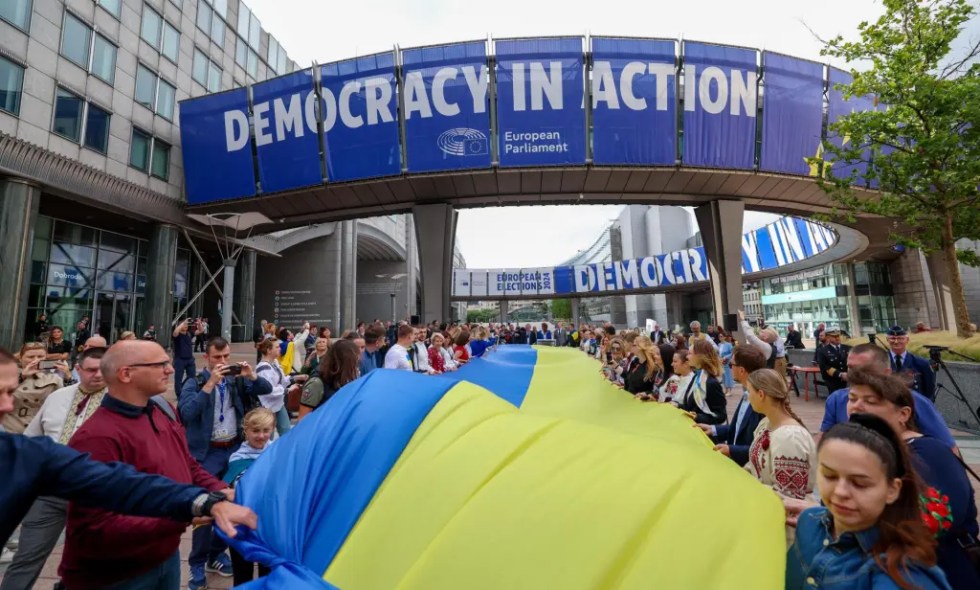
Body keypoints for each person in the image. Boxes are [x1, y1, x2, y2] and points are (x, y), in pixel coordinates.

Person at [58, 341, 243, 590]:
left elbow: (187, 464)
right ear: (126, 373)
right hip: (116, 576)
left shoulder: (162, 410)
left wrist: (223, 491)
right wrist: (187, 511)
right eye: (160, 365)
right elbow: (96, 529)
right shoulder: (97, 438)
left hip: (165, 557)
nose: (170, 370)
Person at [846, 369, 979, 590]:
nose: (856, 406)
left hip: (940, 575)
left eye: (870, 401)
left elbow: (932, 522)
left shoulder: (928, 452)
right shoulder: (879, 453)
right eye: (852, 399)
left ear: (903, 414)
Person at [786, 414, 949, 590]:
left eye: (860, 484)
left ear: (892, 489)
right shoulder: (808, 523)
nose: (840, 492)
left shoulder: (900, 573)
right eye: (829, 475)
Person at [1, 347, 108, 590]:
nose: (98, 376)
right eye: (91, 370)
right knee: (26, 558)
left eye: (102, 370)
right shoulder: (58, 396)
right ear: (78, 369)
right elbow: (31, 439)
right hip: (49, 494)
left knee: (89, 562)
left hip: (93, 493)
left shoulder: (117, 402)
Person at [179, 337, 271, 590]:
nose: (222, 362)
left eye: (226, 357)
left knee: (232, 501)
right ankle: (196, 562)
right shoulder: (195, 382)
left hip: (233, 448)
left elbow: (264, 389)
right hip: (208, 452)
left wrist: (250, 376)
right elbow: (186, 413)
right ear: (206, 358)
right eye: (217, 357)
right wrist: (209, 384)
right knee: (207, 505)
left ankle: (216, 553)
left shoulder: (236, 379)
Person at [817, 343, 957, 451]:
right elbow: (825, 438)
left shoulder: (914, 401)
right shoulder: (836, 399)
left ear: (886, 373)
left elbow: (948, 448)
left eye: (864, 370)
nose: (854, 374)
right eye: (850, 367)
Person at [743, 369, 817, 501]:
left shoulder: (790, 437)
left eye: (749, 391)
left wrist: (749, 488)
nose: (748, 397)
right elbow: (755, 466)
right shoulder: (766, 424)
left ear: (761, 394)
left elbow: (790, 495)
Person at [223, 408, 275, 586]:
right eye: (255, 430)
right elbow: (239, 490)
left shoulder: (279, 453)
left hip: (269, 524)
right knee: (242, 572)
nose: (261, 436)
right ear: (246, 431)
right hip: (241, 524)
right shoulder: (237, 458)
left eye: (266, 430)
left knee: (267, 571)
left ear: (272, 430)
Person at [697, 347, 767, 467]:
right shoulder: (747, 394)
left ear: (741, 370)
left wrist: (731, 450)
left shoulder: (761, 400)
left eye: (731, 364)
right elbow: (738, 428)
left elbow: (763, 447)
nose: (730, 368)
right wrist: (713, 429)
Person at [4, 342, 69, 434]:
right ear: (21, 358)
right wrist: (21, 377)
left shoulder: (53, 378)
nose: (36, 360)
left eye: (40, 356)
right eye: (30, 357)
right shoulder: (5, 375)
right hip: (9, 428)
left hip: (38, 431)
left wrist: (68, 377)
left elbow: (66, 403)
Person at [255, 339, 308, 436]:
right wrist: (288, 390)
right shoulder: (263, 368)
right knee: (267, 437)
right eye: (277, 347)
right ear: (268, 350)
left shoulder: (274, 362)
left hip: (278, 404)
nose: (280, 348)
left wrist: (296, 378)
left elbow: (282, 380)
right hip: (267, 408)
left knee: (286, 432)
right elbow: (269, 391)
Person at [298, 339, 360, 421]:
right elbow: (302, 419)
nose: (355, 366)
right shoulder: (317, 383)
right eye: (353, 362)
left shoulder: (342, 379)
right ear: (343, 362)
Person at [676, 340, 727, 425]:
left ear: (699, 356)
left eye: (690, 353)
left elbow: (721, 416)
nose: (687, 357)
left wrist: (698, 417)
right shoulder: (697, 377)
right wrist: (677, 406)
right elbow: (691, 406)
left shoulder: (711, 383)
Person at [885, 324, 936, 401]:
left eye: (900, 338)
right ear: (887, 340)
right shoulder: (880, 362)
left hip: (915, 407)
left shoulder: (921, 363)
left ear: (907, 340)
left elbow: (929, 391)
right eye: (892, 338)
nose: (896, 341)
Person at [816, 326, 850, 394]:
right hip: (832, 380)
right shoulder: (823, 351)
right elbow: (824, 367)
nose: (837, 338)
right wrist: (840, 374)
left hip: (848, 379)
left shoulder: (848, 348)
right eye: (834, 336)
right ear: (828, 337)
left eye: (838, 336)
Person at [172, 320, 195, 396]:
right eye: (183, 325)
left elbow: (200, 331)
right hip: (180, 359)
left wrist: (200, 324)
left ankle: (182, 387)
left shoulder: (189, 334)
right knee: (178, 378)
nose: (185, 326)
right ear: (180, 326)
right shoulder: (177, 335)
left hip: (190, 359)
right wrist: (182, 323)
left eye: (186, 324)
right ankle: (179, 394)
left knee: (192, 377)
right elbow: (175, 332)